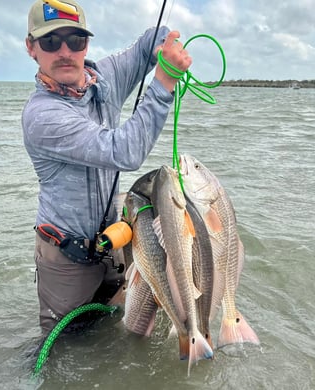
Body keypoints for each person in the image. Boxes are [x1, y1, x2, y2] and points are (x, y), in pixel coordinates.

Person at [22, 0, 192, 335]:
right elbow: (123, 151)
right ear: (31, 48)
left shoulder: (104, 78)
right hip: (66, 260)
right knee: (67, 350)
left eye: (76, 40)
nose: (65, 51)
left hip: (112, 244)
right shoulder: (42, 117)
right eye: (51, 42)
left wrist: (164, 41)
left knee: (121, 330)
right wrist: (163, 83)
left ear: (87, 44)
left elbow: (147, 44)